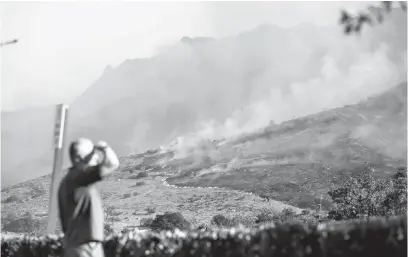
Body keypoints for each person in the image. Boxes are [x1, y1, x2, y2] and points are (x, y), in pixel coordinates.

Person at [58, 138, 120, 257]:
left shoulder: (67, 181)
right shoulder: (79, 177)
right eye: (92, 154)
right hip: (84, 248)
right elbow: (112, 164)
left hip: (77, 245)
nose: (97, 158)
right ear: (80, 157)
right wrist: (105, 147)